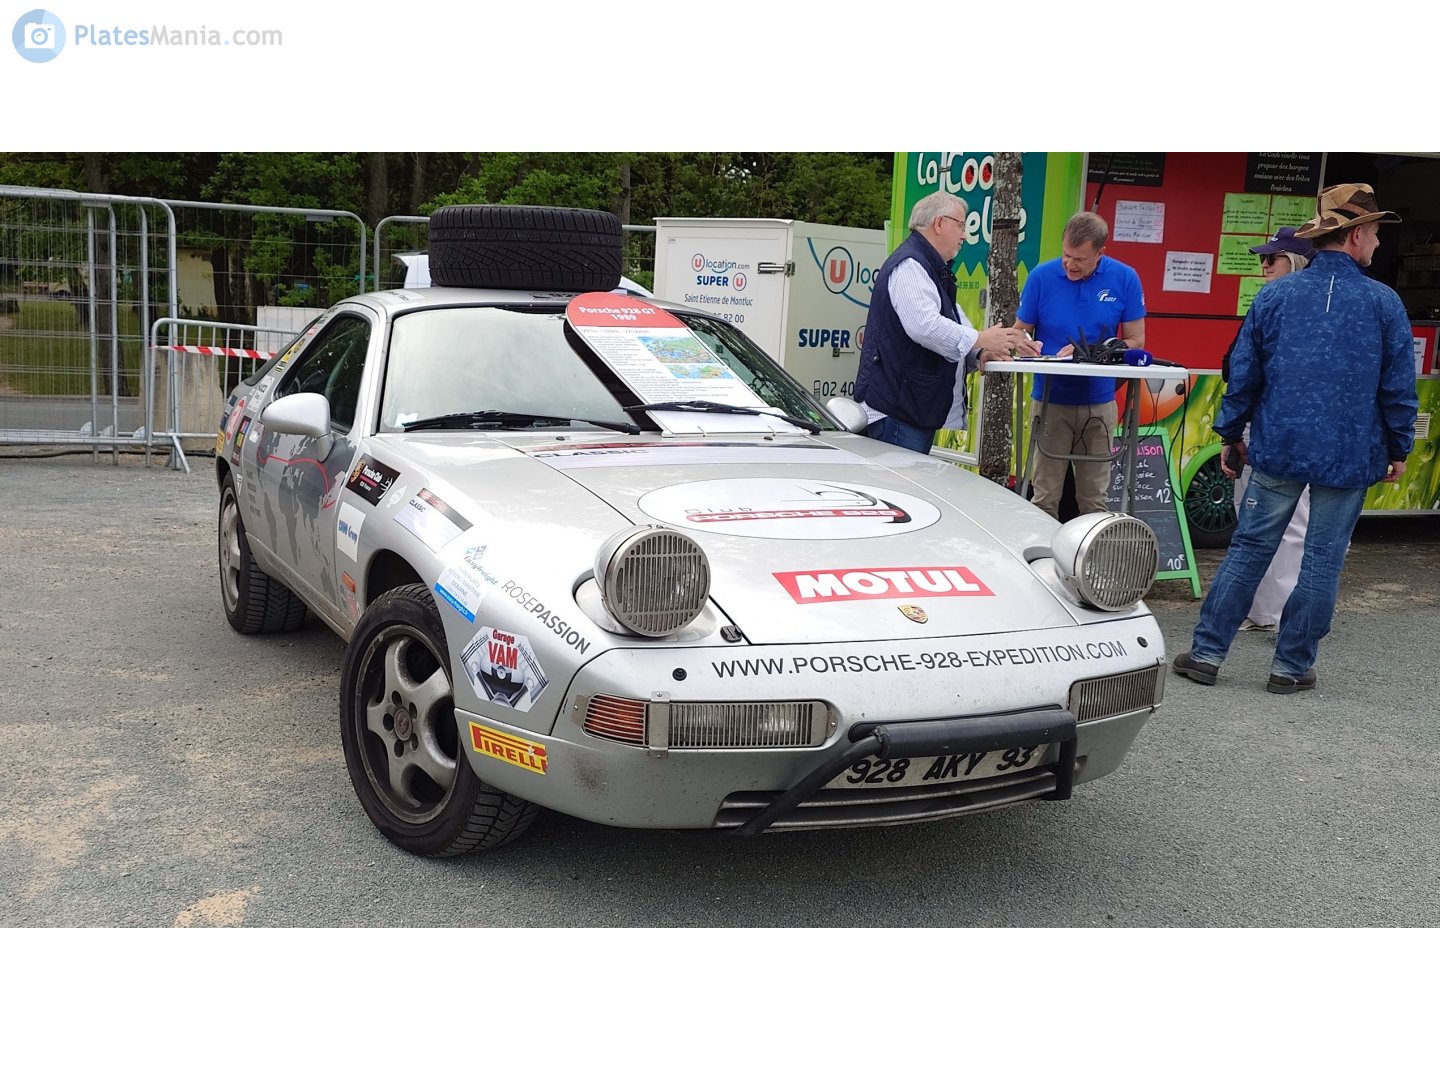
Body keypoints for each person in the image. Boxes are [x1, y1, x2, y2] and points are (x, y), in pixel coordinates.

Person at [1173, 183, 1418, 695]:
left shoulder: (1275, 296)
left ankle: (1207, 653)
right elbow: (1397, 387)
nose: (1378, 242)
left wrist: (1231, 433)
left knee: (1249, 548)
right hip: (1350, 453)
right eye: (1375, 232)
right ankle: (1290, 667)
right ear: (1354, 236)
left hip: (1278, 446)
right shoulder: (1385, 303)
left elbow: (1244, 373)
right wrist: (1399, 447)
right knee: (1323, 558)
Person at [854, 190, 1039, 454]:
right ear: (939, 223)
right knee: (901, 480)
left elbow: (950, 320)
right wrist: (981, 339)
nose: (965, 235)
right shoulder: (910, 266)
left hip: (908, 409)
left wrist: (979, 353)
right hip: (898, 411)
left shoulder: (929, 266)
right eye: (961, 225)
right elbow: (925, 327)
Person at [1013, 211, 1147, 519]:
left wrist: (1090, 351)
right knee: (1044, 497)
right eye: (1066, 255)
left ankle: (1093, 551)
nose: (1070, 264)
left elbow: (1136, 341)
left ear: (1101, 253)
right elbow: (1020, 330)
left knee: (1093, 500)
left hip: (1099, 401)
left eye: (1079, 259)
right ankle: (1040, 549)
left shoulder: (1125, 278)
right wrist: (1022, 341)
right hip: (1050, 401)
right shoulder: (1041, 277)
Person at [1222, 226, 1314, 631]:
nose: (1263, 265)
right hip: (1258, 423)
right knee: (1251, 517)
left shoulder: (1309, 309)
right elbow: (1238, 367)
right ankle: (1258, 609)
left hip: (1292, 429)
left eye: (1271, 258)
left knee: (1292, 521)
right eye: (1263, 258)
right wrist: (1233, 432)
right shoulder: (1267, 302)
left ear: (1295, 260)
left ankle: (1276, 613)